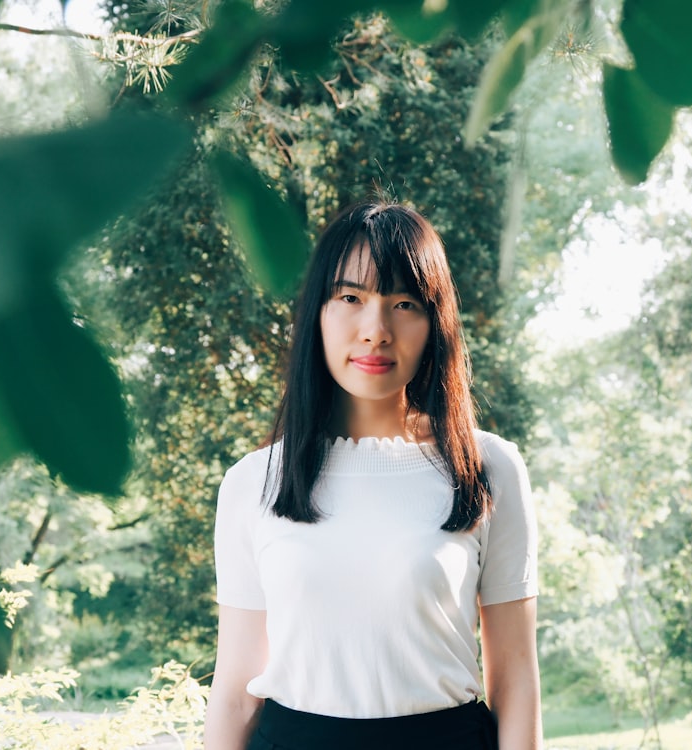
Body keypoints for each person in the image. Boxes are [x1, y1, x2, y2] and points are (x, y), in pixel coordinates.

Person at [203, 202, 542, 750]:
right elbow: (236, 693)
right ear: (318, 311)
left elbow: (517, 679)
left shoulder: (488, 467)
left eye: (404, 303)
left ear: (435, 323)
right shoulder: (252, 483)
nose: (375, 330)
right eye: (351, 298)